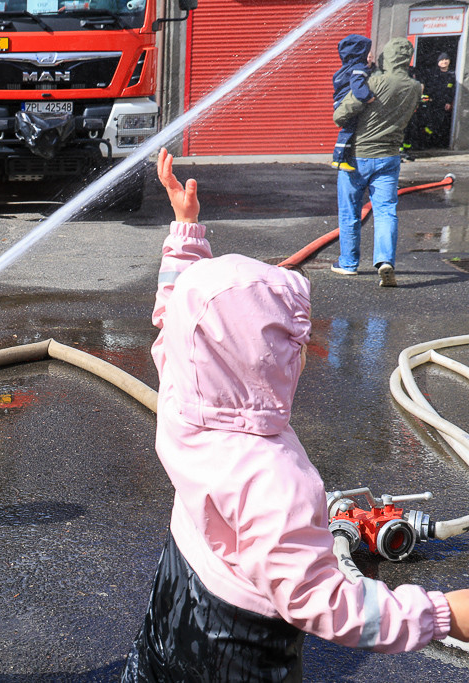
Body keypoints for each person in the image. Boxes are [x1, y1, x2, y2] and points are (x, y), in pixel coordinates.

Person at [120, 147, 469, 682]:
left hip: (176, 601)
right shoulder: (272, 481)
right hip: (236, 649)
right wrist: (443, 614)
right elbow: (326, 604)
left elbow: (174, 311)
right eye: (291, 341)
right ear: (274, 361)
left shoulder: (180, 393)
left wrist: (185, 234)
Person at [331, 37, 423, 287]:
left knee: (350, 211)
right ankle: (385, 261)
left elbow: (340, 116)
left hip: (358, 157)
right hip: (390, 157)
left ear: (386, 57)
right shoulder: (416, 87)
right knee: (385, 212)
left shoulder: (373, 82)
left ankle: (348, 264)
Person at [332, 34, 376, 172]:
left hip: (339, 102)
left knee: (349, 129)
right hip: (346, 103)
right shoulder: (358, 67)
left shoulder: (345, 68)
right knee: (348, 130)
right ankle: (339, 159)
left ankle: (341, 159)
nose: (370, 58)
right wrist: (367, 96)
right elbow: (357, 86)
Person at [420, 51, 457, 148]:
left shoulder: (452, 75)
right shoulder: (433, 74)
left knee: (440, 123)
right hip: (432, 102)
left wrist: (449, 102)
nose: (444, 61)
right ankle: (425, 141)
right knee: (429, 122)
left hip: (443, 104)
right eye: (442, 60)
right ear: (438, 62)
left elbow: (452, 90)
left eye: (446, 59)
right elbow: (427, 87)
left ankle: (434, 142)